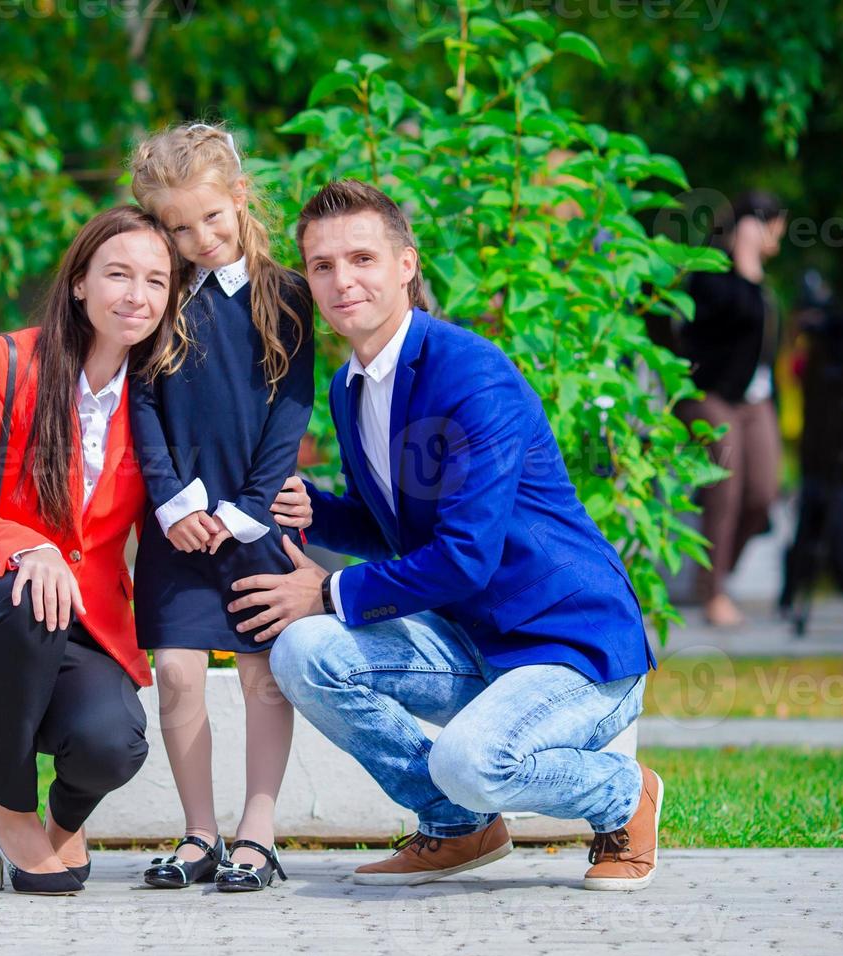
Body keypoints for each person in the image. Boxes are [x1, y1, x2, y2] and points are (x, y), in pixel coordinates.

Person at [233, 179, 662, 891]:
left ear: (406, 265)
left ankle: (624, 796)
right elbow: (401, 526)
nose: (344, 281)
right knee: (305, 651)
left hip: (575, 647)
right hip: (474, 641)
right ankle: (456, 827)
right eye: (323, 266)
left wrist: (329, 587)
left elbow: (463, 557)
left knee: (470, 762)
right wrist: (316, 510)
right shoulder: (350, 387)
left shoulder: (470, 374)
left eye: (363, 259)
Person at [0, 206, 181, 895]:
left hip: (86, 626)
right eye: (117, 274)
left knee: (115, 743)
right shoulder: (7, 361)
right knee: (33, 603)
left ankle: (61, 819)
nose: (135, 295)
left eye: (155, 280)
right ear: (80, 282)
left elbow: (176, 518)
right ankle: (13, 807)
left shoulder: (160, 397)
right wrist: (29, 548)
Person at [126, 122, 314, 892]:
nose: (197, 237)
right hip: (178, 529)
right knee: (175, 671)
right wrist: (171, 502)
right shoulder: (159, 294)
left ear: (239, 197)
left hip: (253, 518)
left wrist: (250, 509)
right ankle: (199, 831)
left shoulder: (287, 296)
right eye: (177, 226)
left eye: (209, 217)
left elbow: (291, 412)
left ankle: (257, 835)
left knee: (263, 674)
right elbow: (140, 402)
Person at [676, 190, 786, 627]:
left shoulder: (759, 285)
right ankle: (713, 592)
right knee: (727, 484)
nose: (778, 235)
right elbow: (730, 316)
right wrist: (745, 264)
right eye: (774, 225)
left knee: (763, 493)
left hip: (755, 400)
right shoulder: (712, 277)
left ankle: (721, 571)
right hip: (711, 395)